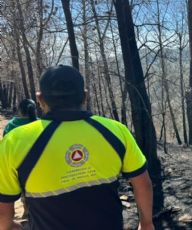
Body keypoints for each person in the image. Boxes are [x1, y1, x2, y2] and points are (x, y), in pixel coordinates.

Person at [0, 65, 154, 230]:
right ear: (85, 96)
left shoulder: (14, 141)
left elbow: (3, 208)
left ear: (40, 98)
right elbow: (143, 183)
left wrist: (7, 225)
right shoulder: (116, 130)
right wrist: (146, 223)